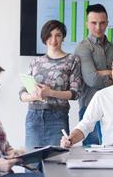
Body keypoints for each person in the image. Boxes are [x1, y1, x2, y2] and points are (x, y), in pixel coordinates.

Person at [19, 20, 82, 149]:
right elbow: (22, 94)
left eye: (58, 35)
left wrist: (50, 93)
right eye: (50, 35)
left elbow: (75, 93)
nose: (53, 40)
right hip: (33, 117)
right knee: (32, 163)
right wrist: (34, 97)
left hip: (57, 118)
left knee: (56, 162)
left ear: (63, 37)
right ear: (44, 37)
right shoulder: (35, 62)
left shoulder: (72, 60)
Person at [74, 3, 113, 145]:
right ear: (87, 24)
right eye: (94, 23)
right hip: (89, 109)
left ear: (107, 23)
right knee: (91, 157)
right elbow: (92, 79)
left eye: (102, 23)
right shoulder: (82, 48)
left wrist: (102, 73)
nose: (98, 27)